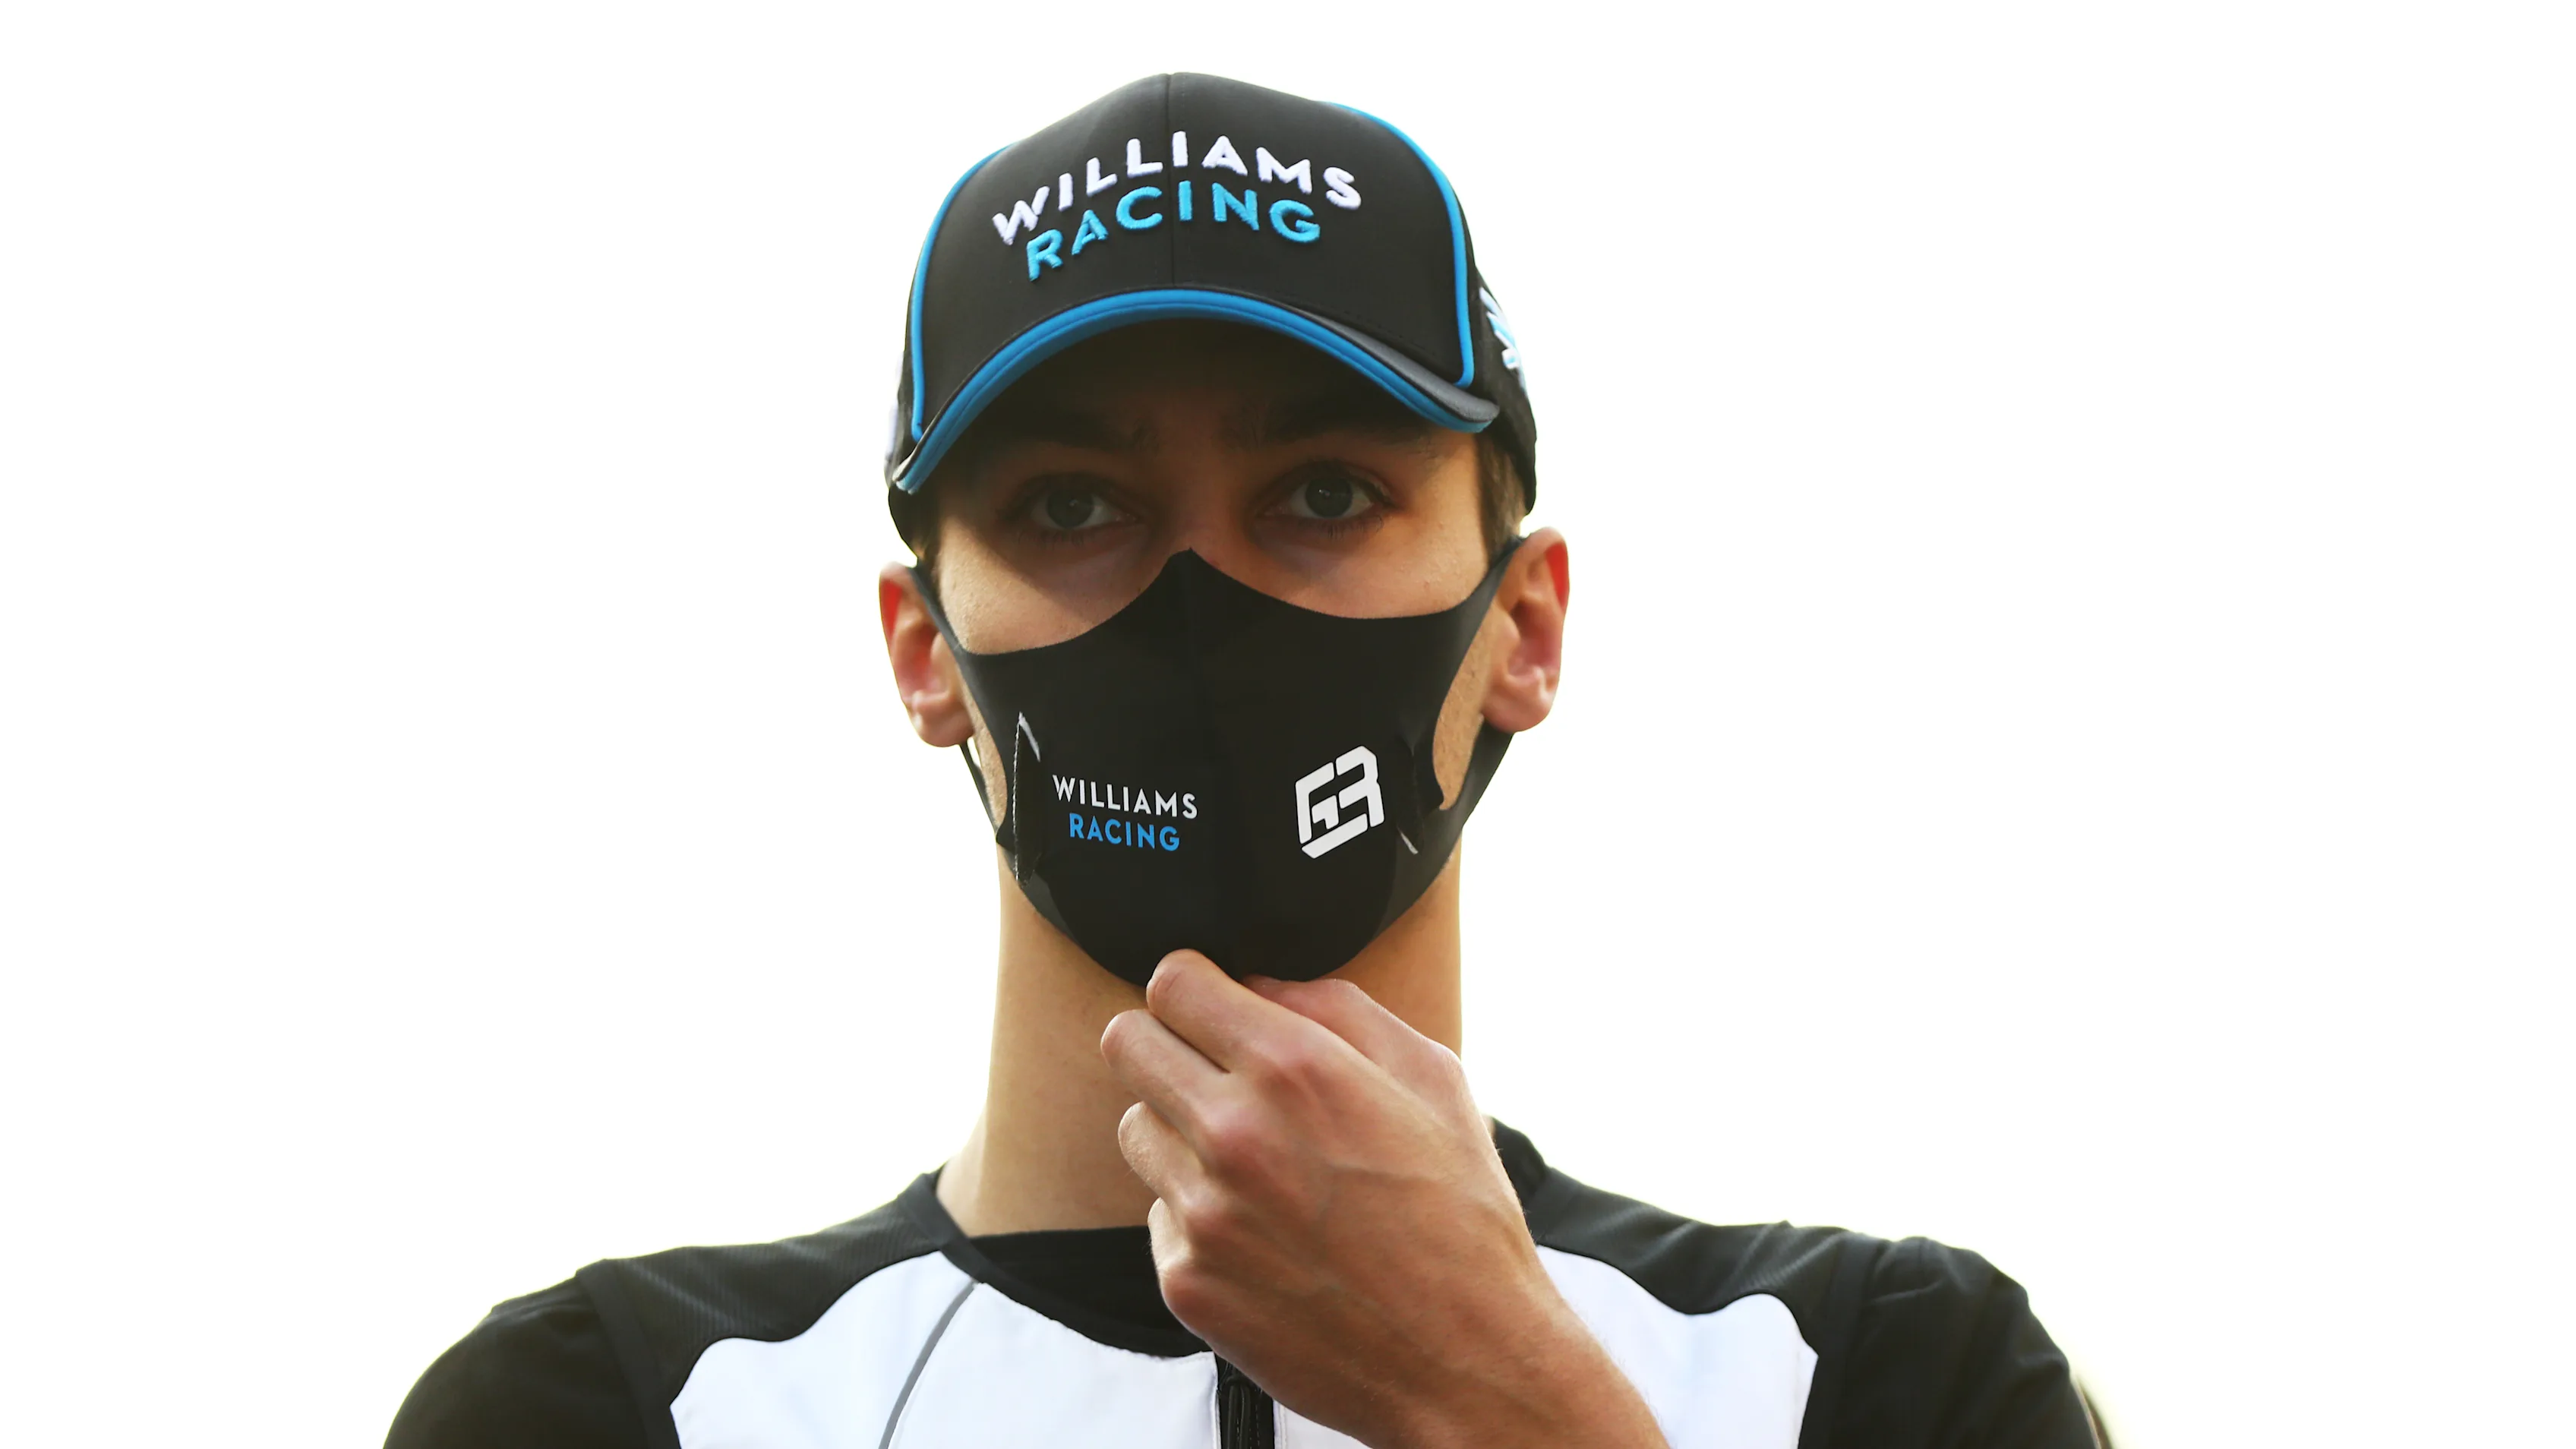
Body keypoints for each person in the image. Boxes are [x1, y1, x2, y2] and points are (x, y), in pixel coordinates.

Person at [388, 72, 2104, 1449]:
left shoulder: (1869, 1376)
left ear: (1526, 626)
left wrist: (1510, 1405)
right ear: (923, 653)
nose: (1200, 600)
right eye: (1073, 504)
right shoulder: (626, 1407)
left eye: (1325, 494)